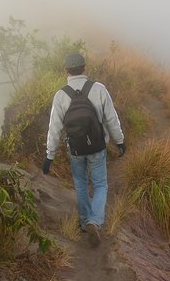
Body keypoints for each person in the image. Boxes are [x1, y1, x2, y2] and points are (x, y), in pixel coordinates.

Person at [42, 52, 126, 246]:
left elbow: (54, 128)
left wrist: (49, 156)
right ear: (84, 68)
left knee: (80, 184)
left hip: (76, 150)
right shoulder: (98, 89)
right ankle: (95, 221)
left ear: (67, 71)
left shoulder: (61, 95)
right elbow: (111, 119)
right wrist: (119, 141)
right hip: (97, 147)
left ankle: (83, 222)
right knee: (100, 184)